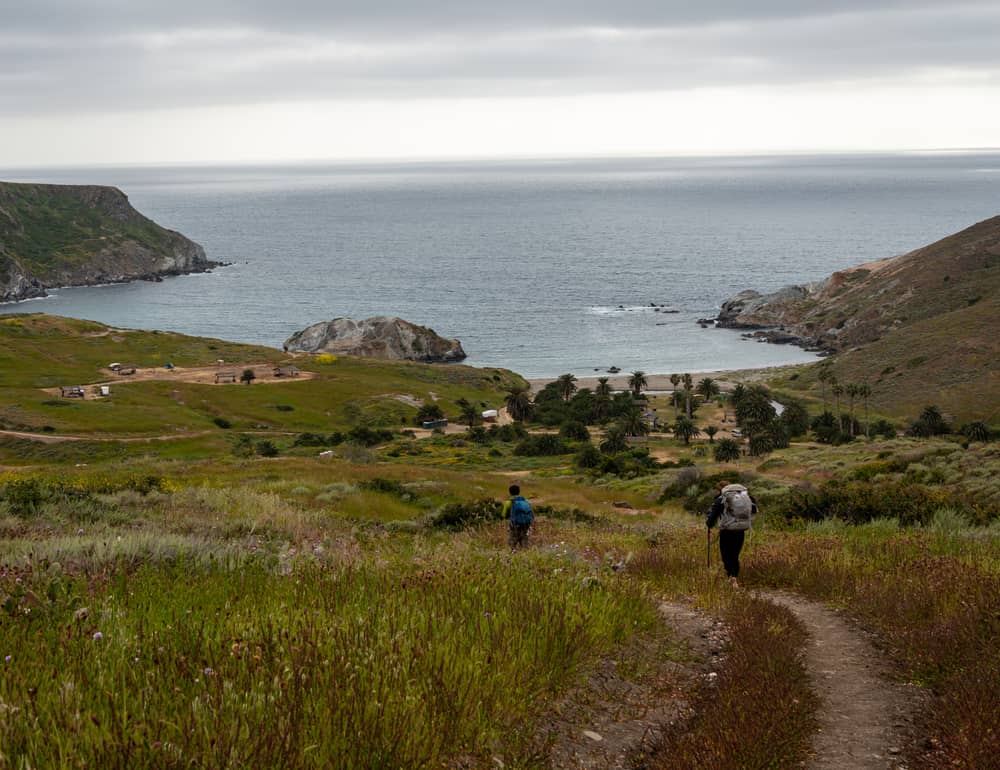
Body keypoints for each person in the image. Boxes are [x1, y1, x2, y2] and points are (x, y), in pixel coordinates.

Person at [706, 480, 757, 586]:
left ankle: (731, 578)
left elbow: (713, 516)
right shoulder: (744, 497)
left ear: (721, 489)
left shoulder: (721, 499)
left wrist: (709, 524)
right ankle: (734, 577)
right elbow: (753, 509)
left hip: (727, 531)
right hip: (740, 531)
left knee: (726, 556)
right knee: (734, 555)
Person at [502, 484, 533, 549]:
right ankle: (525, 556)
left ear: (510, 492)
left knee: (512, 544)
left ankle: (513, 557)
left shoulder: (508, 502)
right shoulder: (525, 502)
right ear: (519, 492)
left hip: (514, 525)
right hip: (525, 525)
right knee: (524, 543)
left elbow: (503, 515)